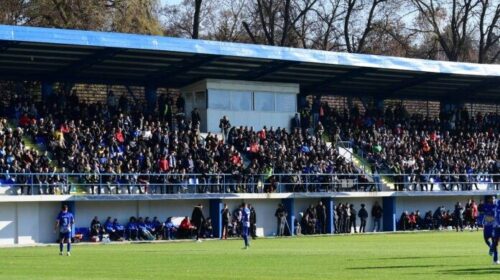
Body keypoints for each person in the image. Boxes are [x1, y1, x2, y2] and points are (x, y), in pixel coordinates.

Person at [491, 196, 500, 264]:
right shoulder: (493, 207)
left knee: (495, 244)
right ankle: (495, 260)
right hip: (496, 228)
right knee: (495, 243)